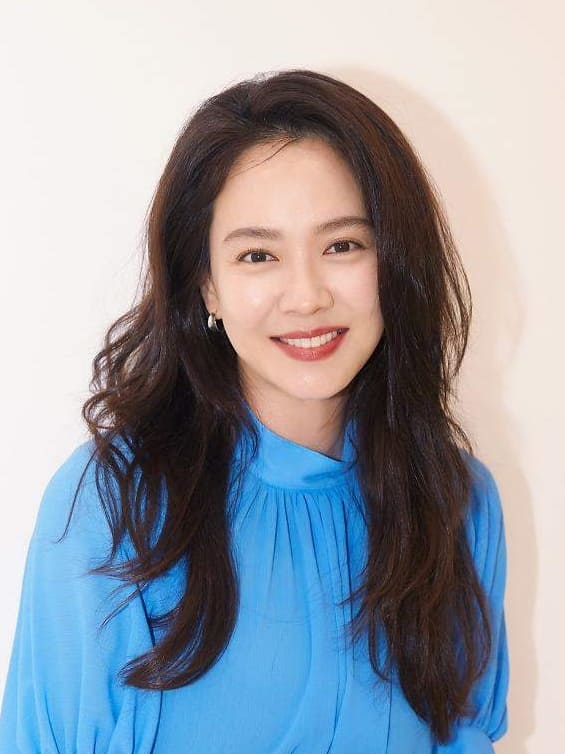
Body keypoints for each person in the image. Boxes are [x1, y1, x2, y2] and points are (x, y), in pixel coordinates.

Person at [0, 68, 509, 753]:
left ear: (394, 261)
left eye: (342, 245)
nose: (306, 296)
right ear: (207, 285)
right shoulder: (116, 500)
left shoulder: (457, 500)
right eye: (258, 254)